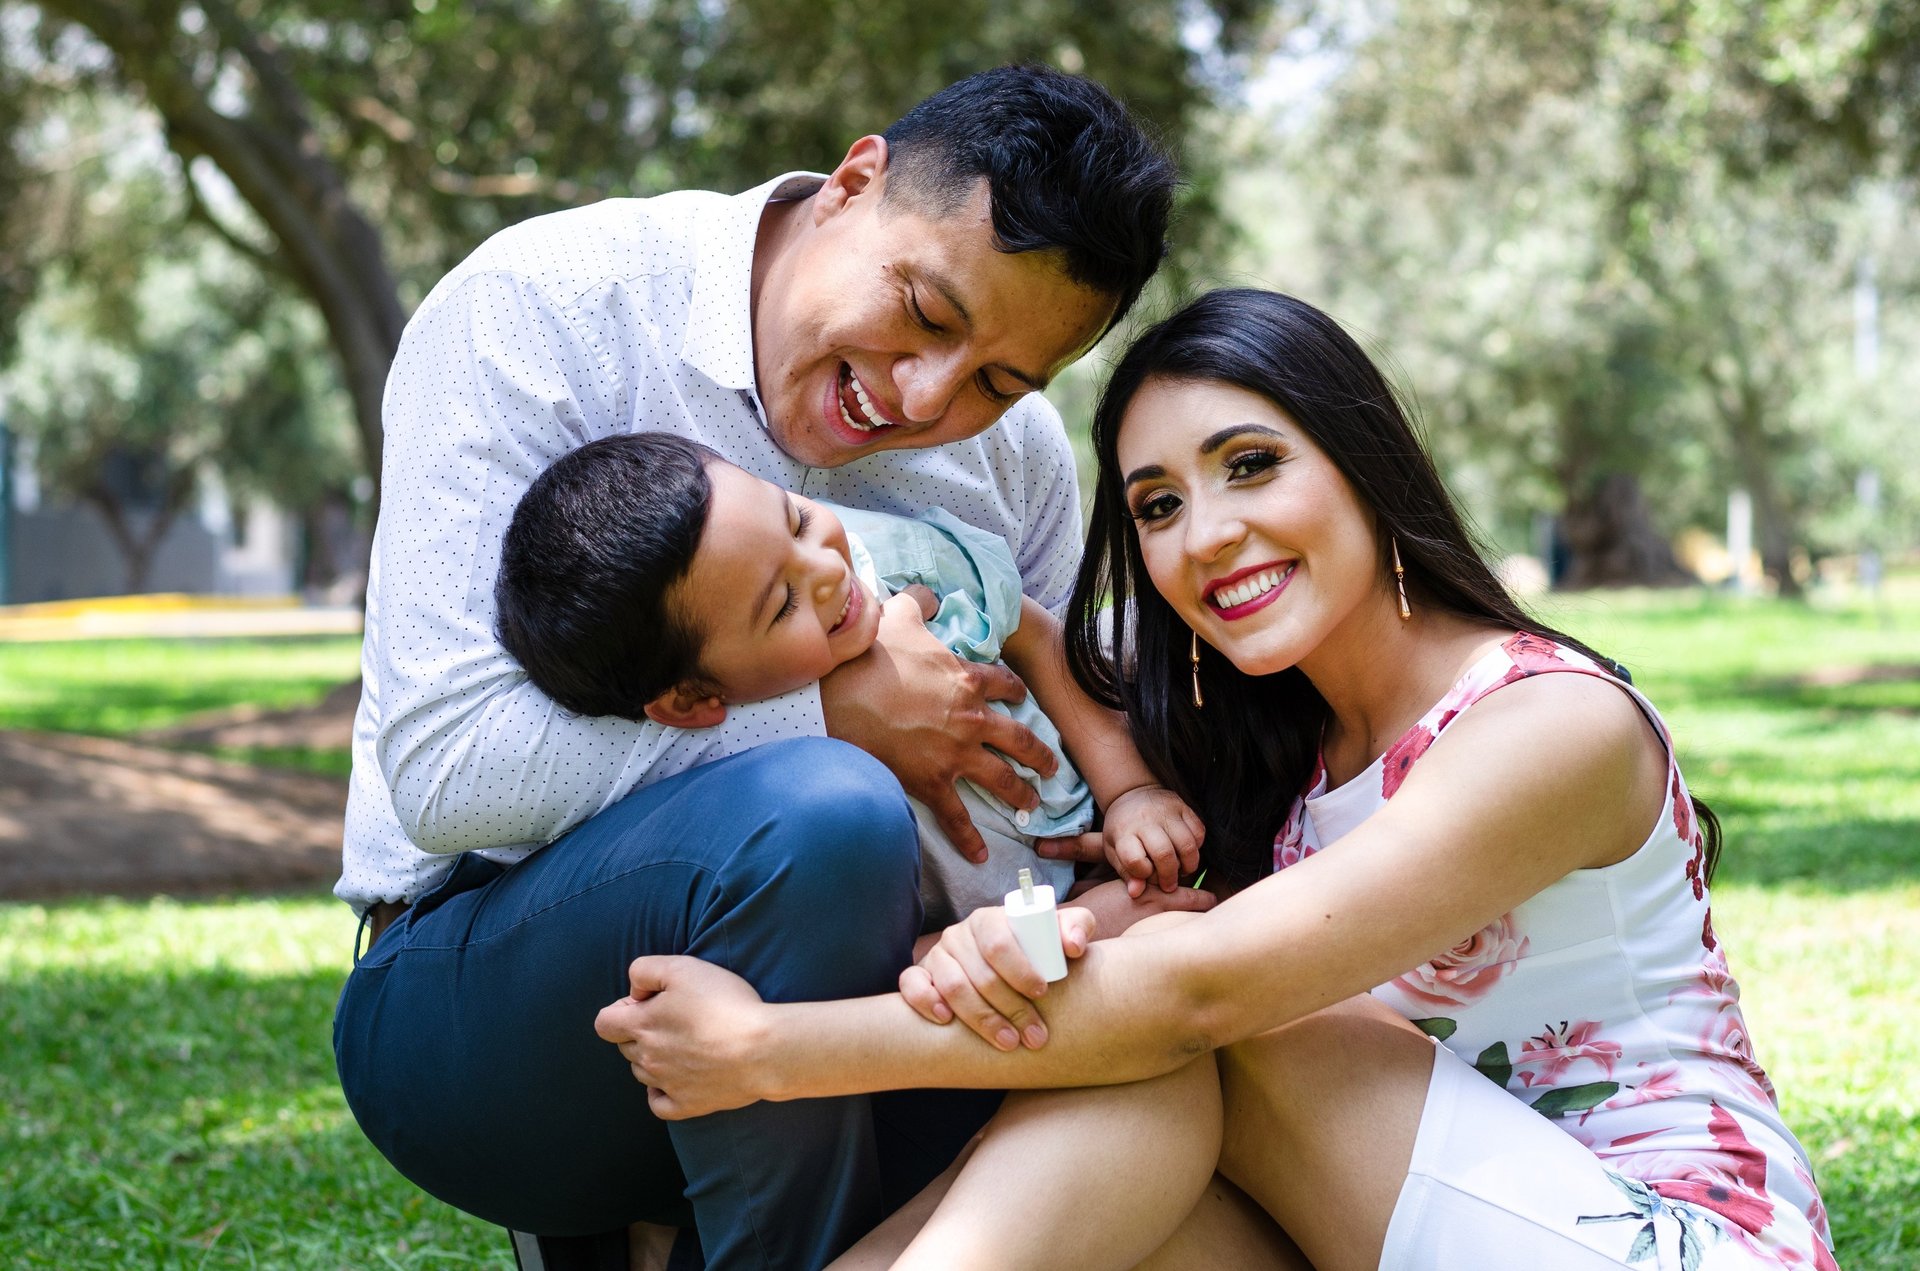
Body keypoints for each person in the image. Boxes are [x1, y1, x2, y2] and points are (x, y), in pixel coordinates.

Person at [597, 290, 1838, 1271]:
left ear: (1359, 457)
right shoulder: (1267, 745)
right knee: (1117, 1190)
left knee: (1197, 1020)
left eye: (1250, 464)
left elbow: (1204, 988)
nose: (1206, 535)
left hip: (1665, 1234)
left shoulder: (1553, 724)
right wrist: (1017, 931)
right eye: (1157, 504)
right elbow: (1145, 929)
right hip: (1394, 1220)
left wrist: (769, 1048)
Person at [332, 64, 1211, 1271]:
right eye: (926, 311)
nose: (925, 397)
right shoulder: (541, 310)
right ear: (853, 182)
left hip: (895, 1016)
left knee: (1146, 1056)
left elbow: (1049, 723)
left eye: (1001, 380)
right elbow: (447, 769)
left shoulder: (1014, 456)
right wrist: (831, 711)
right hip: (499, 1005)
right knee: (823, 803)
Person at [493, 431, 1204, 925]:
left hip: (1104, 802)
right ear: (693, 700)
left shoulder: (896, 561)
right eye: (782, 603)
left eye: (797, 520)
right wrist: (1075, 923)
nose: (830, 570)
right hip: (1012, 947)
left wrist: (1129, 792)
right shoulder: (768, 795)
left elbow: (1034, 634)